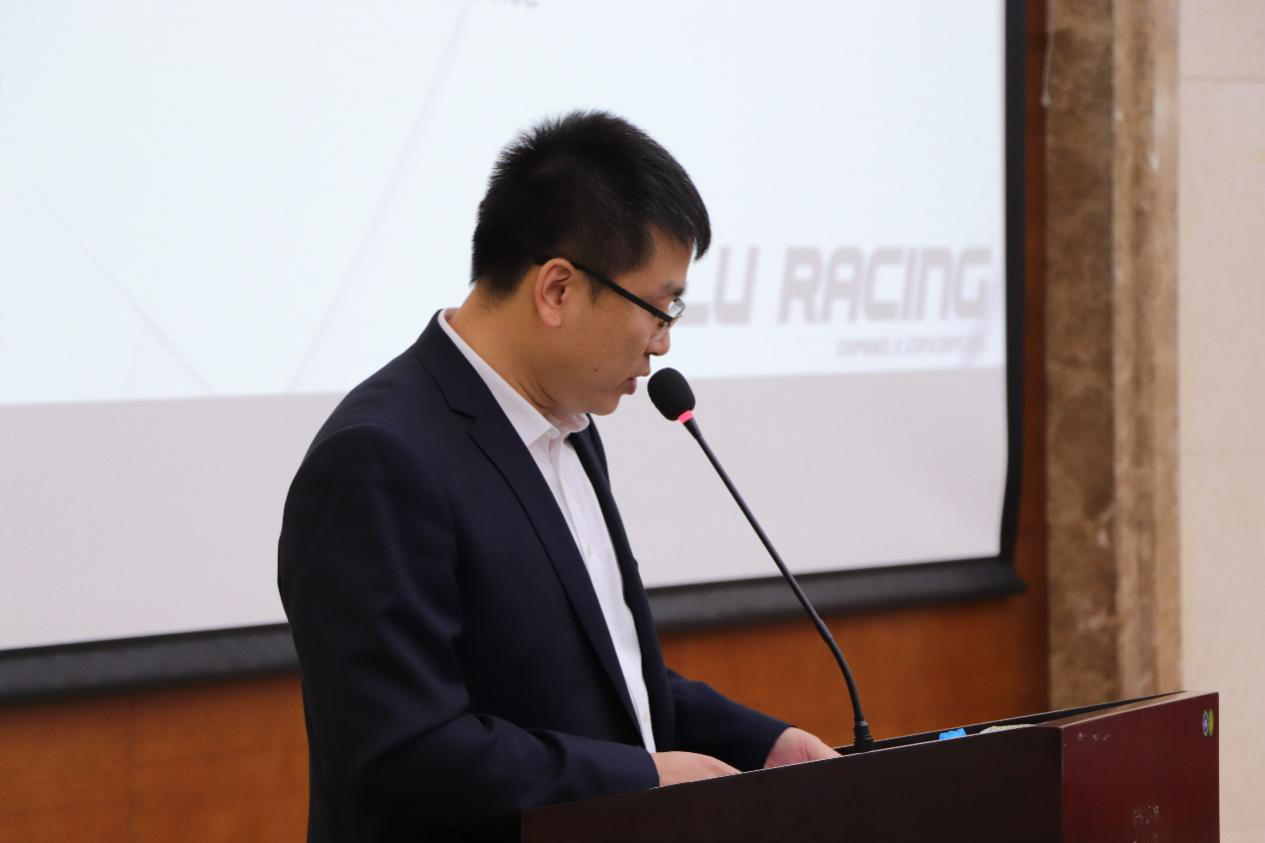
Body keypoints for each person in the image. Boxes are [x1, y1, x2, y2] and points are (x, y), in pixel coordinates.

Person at [277, 110, 838, 842]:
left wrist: (762, 744)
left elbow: (607, 680)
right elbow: (403, 751)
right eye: (659, 308)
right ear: (557, 291)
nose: (662, 345)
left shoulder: (568, 426)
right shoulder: (379, 459)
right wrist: (639, 780)